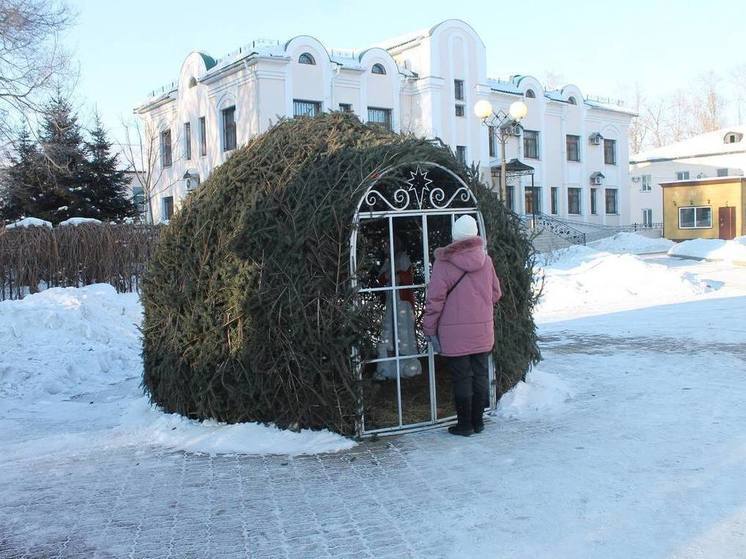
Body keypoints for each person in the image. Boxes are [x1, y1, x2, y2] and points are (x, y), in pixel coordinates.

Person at [423, 215, 502, 436]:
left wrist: (429, 328)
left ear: (455, 236)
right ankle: (478, 422)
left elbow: (435, 299)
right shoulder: (486, 261)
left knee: (462, 377)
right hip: (483, 330)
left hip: (454, 333)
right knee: (480, 374)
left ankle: (464, 425)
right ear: (476, 234)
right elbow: (496, 293)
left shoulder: (443, 262)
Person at [374, 235, 422, 380]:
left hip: (402, 300)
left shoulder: (403, 257)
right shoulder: (389, 260)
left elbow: (405, 278)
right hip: (391, 299)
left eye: (387, 244)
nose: (385, 248)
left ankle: (407, 358)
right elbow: (382, 278)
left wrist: (392, 275)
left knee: (404, 329)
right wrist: (391, 275)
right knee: (389, 328)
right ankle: (391, 360)